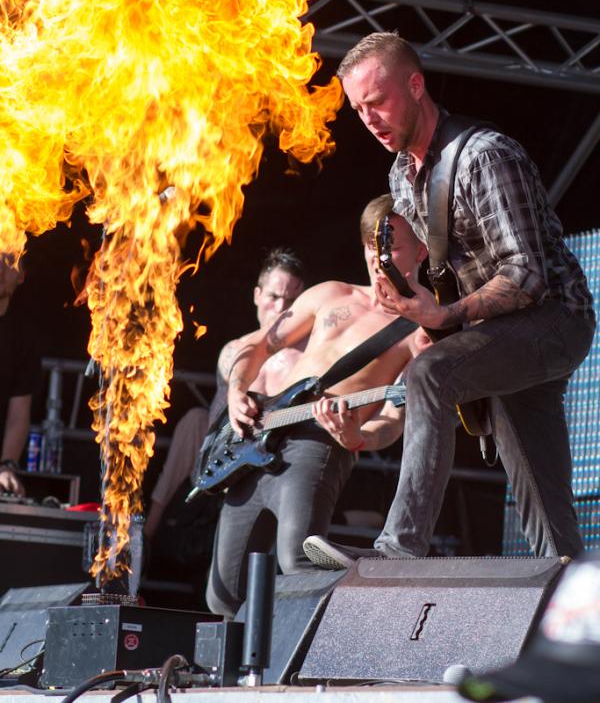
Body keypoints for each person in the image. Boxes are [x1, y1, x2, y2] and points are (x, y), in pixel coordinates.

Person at [303, 31, 596, 572]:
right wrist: (411, 304)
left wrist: (445, 318)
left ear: (415, 86)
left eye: (378, 101)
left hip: (554, 320)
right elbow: (442, 280)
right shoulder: (402, 176)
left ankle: (398, 550)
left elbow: (527, 276)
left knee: (431, 375)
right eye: (358, 109)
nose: (369, 119)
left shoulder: (485, 157)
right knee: (549, 523)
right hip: (496, 338)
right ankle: (576, 613)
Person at [206, 195, 429, 618]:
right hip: (259, 436)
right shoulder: (331, 293)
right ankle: (243, 680)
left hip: (320, 441)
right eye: (371, 245)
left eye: (392, 246)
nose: (379, 257)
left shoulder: (417, 332)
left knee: (300, 561)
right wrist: (237, 391)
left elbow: (394, 418)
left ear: (420, 250)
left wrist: (358, 437)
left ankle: (361, 628)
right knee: (223, 594)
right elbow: (260, 343)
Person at [144, 247, 307, 541]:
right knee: (194, 420)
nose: (281, 308)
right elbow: (215, 423)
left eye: (291, 300)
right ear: (258, 296)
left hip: (273, 464)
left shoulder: (306, 357)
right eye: (273, 297)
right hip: (218, 462)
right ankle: (147, 537)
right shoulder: (234, 350)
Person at [0, 253, 40, 496]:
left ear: (22, 276)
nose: (0, 269)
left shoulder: (24, 339)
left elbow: (19, 415)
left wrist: (6, 467)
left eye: (9, 261)